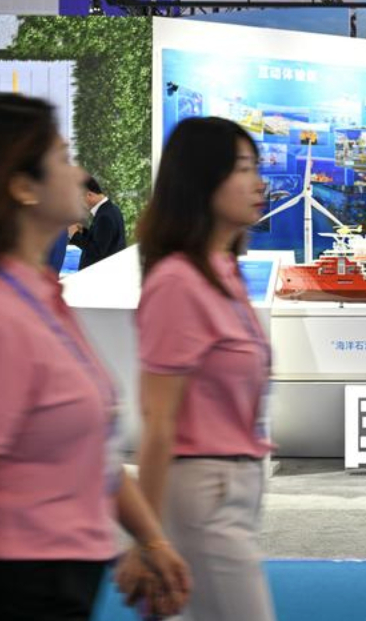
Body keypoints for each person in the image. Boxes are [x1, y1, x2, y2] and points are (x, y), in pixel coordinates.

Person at [0, 93, 191, 621]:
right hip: (9, 592)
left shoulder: (44, 297)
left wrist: (152, 539)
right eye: (64, 158)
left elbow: (89, 449)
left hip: (64, 588)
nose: (80, 173)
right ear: (23, 186)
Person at [133, 116, 276, 621]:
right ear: (201, 179)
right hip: (202, 494)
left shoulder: (225, 272)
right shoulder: (178, 280)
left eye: (256, 167)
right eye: (242, 168)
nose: (258, 182)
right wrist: (149, 539)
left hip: (236, 488)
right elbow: (158, 422)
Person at [69, 176, 126, 270]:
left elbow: (96, 252)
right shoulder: (111, 209)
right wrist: (84, 232)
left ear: (89, 195)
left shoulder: (105, 216)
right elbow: (101, 240)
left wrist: (74, 235)